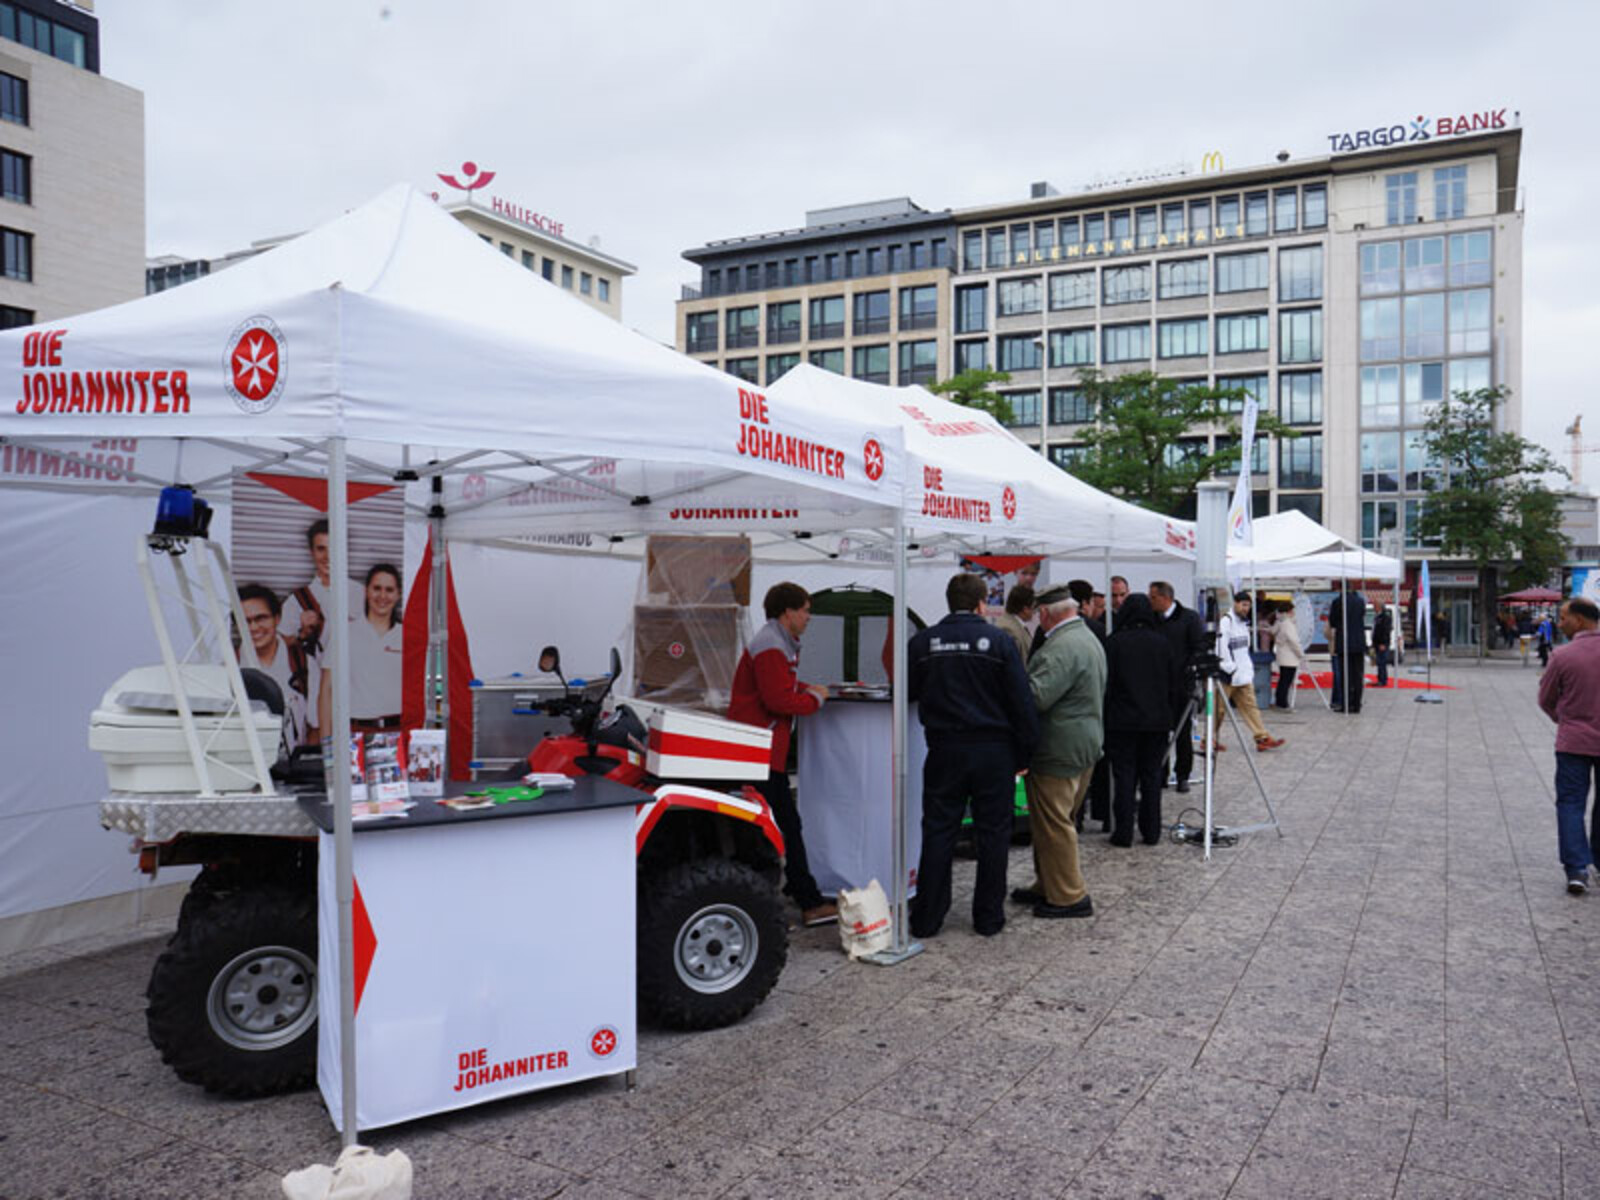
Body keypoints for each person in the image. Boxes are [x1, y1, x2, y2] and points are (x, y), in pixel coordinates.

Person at [907, 573, 1038, 938]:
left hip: (944, 749)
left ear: (950, 601)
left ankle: (927, 919)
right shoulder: (999, 641)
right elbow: (1020, 701)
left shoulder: (921, 642)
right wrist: (1026, 751)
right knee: (994, 834)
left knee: (938, 831)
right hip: (993, 751)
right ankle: (988, 918)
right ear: (982, 604)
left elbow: (908, 691)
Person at [728, 582, 835, 926]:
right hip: (759, 754)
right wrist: (815, 700)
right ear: (787, 612)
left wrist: (809, 688)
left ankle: (785, 892)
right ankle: (809, 901)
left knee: (772, 826)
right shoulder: (772, 646)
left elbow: (780, 687)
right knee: (786, 824)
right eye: (805, 610)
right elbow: (778, 700)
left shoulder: (776, 642)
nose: (808, 617)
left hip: (761, 750)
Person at [1013, 586, 1106, 919]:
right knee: (1051, 822)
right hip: (1083, 743)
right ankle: (1048, 883)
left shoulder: (1061, 648)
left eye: (1041, 614)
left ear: (1048, 613)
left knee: (1054, 824)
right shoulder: (1085, 637)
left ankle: (1068, 896)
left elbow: (1036, 697)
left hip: (1059, 748)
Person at [1103, 594, 1178, 847]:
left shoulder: (1114, 643)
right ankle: (1151, 831)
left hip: (1122, 721)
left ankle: (1123, 832)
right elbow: (1172, 684)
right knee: (1151, 777)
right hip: (1156, 722)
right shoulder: (1163, 643)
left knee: (1124, 776)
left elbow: (1107, 685)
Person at [1536, 597, 1600, 895]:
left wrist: (1562, 718)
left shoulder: (1563, 656)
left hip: (1573, 741)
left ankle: (1576, 869)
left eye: (1564, 618)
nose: (1560, 624)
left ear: (1580, 620)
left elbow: (1545, 698)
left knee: (1571, 803)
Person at [237, 583, 319, 750]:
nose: (253, 628)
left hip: (294, 771)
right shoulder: (229, 666)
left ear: (277, 618)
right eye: (245, 621)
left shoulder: (304, 663)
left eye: (261, 618)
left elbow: (316, 727)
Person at [280, 518, 365, 662]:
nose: (328, 557)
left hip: (358, 679)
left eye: (334, 548)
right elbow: (279, 648)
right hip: (315, 681)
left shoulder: (363, 594)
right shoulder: (297, 600)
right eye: (321, 549)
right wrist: (303, 634)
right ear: (311, 552)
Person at [1149, 581, 1205, 794]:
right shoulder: (1152, 619)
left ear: (1165, 598)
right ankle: (1160, 774)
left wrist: (1189, 671)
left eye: (1153, 597)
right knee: (1158, 734)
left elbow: (1198, 647)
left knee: (1182, 734)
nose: (1150, 601)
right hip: (1157, 687)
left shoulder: (1188, 618)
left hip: (1182, 686)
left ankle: (1183, 775)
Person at [1215, 591, 1284, 751]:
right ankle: (1209, 739)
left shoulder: (1243, 623)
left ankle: (1262, 738)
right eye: (1243, 605)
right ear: (1236, 604)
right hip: (1228, 675)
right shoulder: (1227, 621)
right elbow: (1221, 648)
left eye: (1248, 606)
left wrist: (1247, 669)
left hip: (1243, 675)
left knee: (1251, 708)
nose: (1246, 608)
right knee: (1219, 710)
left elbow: (1243, 650)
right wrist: (1230, 668)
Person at [346, 563, 404, 731]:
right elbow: (327, 690)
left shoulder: (407, 636)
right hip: (357, 732)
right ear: (366, 591)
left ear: (398, 594)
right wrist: (327, 746)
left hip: (397, 731)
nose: (382, 596)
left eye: (389, 590)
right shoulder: (346, 633)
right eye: (377, 588)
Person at [1326, 588, 1368, 713]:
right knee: (1358, 675)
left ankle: (1346, 704)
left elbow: (1332, 622)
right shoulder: (1360, 601)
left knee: (1345, 675)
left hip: (1344, 642)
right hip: (1359, 642)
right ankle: (1356, 704)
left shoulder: (1337, 602)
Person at [1271, 601, 1304, 711]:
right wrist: (1300, 653)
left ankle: (1280, 701)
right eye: (1292, 610)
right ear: (1289, 611)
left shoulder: (1280, 622)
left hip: (1282, 655)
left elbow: (1273, 631)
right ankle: (1283, 703)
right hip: (1290, 656)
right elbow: (1293, 641)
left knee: (1283, 680)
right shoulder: (1288, 624)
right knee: (1287, 680)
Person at [993, 583, 1036, 665]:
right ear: (1025, 609)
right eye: (1034, 607)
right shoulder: (1009, 629)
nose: (1035, 612)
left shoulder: (1013, 624)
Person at [1372, 603, 1394, 687]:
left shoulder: (1385, 618)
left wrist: (1383, 643)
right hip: (1377, 643)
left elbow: (1385, 631)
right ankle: (1380, 678)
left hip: (1382, 643)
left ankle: (1383, 680)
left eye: (1375, 606)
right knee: (1379, 662)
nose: (1374, 608)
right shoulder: (1377, 617)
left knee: (1382, 662)